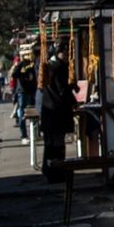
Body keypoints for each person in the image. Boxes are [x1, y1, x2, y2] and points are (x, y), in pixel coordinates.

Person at [40, 39, 76, 182]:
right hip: (57, 112)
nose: (68, 56)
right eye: (66, 53)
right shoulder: (59, 67)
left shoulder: (49, 66)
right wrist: (72, 91)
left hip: (49, 110)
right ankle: (57, 171)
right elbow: (62, 90)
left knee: (50, 144)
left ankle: (49, 170)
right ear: (60, 52)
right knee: (57, 144)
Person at [11, 50, 37, 144]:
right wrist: (25, 76)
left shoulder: (33, 63)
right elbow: (14, 74)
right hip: (23, 91)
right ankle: (24, 135)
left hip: (31, 90)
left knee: (34, 112)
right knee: (23, 112)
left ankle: (35, 133)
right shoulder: (21, 64)